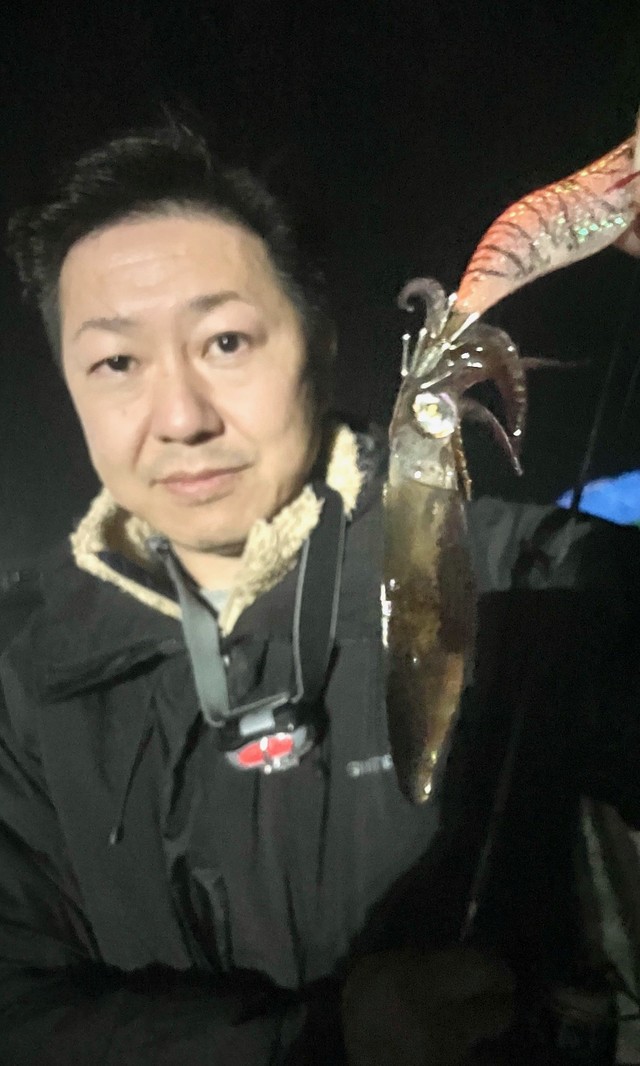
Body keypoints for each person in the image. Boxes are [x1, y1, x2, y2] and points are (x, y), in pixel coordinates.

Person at [1, 124, 639, 1066]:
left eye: (225, 341)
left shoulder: (529, 577)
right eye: (116, 363)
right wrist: (318, 1044)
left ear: (323, 341)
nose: (179, 418)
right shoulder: (22, 677)